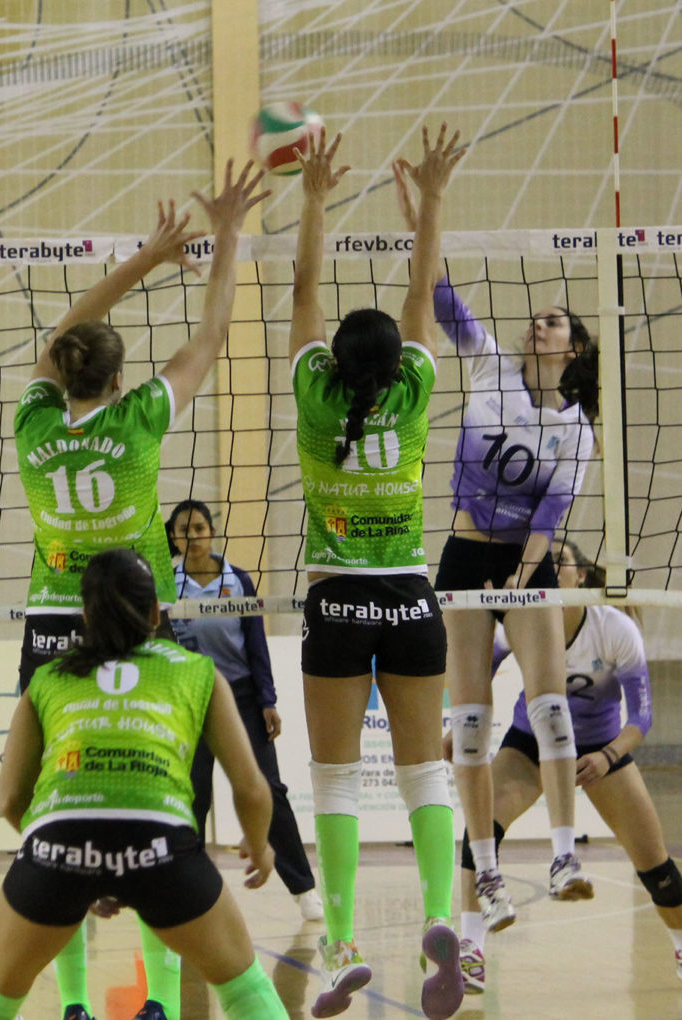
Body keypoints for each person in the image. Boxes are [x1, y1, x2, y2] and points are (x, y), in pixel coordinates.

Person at [13, 159, 268, 1020]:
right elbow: (212, 333)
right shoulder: (142, 418)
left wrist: (144, 257)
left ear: (63, 374)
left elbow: (66, 334)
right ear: (118, 383)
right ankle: (159, 1000)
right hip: (139, 622)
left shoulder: (32, 420)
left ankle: (77, 1005)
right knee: (169, 804)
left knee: (55, 818)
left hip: (55, 620)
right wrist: (221, 236)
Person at [0, 548, 288, 1020]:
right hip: (160, 844)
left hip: (58, 842)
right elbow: (252, 788)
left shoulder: (46, 680)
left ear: (85, 616)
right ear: (156, 613)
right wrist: (259, 846)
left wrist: (76, 860)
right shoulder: (198, 673)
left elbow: (9, 798)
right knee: (243, 986)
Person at [288, 126, 465, 1020]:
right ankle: (444, 919)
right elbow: (420, 287)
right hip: (408, 598)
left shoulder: (315, 399)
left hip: (335, 600)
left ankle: (345, 938)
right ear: (397, 367)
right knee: (423, 775)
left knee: (332, 778)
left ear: (332, 367)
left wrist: (314, 197)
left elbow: (302, 289)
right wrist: (428, 199)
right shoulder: (418, 386)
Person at [395, 168, 601, 928]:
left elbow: (547, 515)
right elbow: (439, 295)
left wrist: (521, 581)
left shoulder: (576, 430)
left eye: (552, 323)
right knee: (472, 724)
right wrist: (424, 216)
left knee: (550, 707)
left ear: (573, 349)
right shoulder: (487, 366)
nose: (535, 327)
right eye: (536, 320)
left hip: (526, 559)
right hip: (463, 556)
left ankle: (561, 852)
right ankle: (485, 873)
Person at [451, 537, 682, 992]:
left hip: (600, 750)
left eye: (562, 563)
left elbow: (642, 717)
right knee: (480, 832)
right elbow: (476, 672)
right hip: (531, 747)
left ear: (580, 576)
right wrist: (457, 727)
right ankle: (471, 950)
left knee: (658, 870)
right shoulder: (520, 624)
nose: (553, 570)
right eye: (547, 563)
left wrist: (608, 755)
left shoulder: (614, 628)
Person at [165, 498, 323, 922]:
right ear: (174, 536)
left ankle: (304, 889)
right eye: (184, 530)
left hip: (242, 698)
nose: (192, 536)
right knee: (191, 795)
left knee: (269, 791)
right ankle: (187, 891)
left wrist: (268, 699)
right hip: (189, 700)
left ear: (211, 532)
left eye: (199, 527)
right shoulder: (166, 583)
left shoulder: (237, 580)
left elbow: (256, 642)